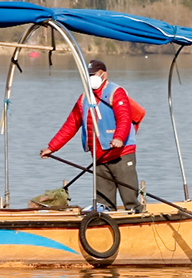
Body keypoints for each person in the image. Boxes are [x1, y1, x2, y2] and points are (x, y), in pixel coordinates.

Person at [43, 58, 146, 211]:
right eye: (88, 75)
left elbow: (124, 118)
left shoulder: (116, 93)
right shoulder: (84, 98)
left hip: (121, 153)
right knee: (103, 204)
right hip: (99, 156)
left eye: (93, 74)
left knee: (130, 199)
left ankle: (137, 218)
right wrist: (52, 147)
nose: (90, 78)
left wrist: (118, 138)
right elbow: (71, 124)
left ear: (103, 75)